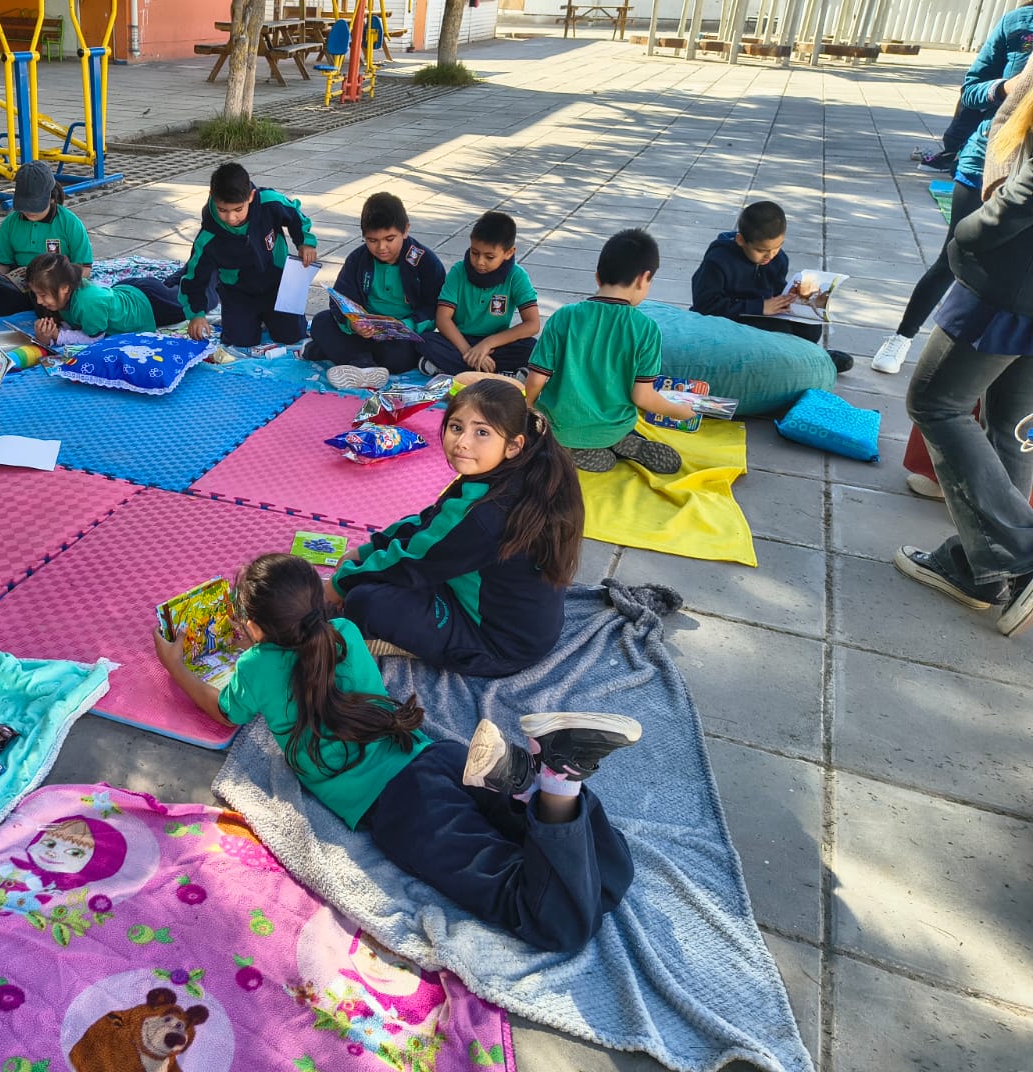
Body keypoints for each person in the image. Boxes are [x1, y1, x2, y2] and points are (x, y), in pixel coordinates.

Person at [153, 550, 640, 953]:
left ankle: (555, 781)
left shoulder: (256, 667)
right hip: (437, 756)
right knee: (611, 873)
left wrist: (176, 667)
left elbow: (223, 711)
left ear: (255, 629)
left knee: (551, 923)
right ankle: (538, 785)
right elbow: (302, 651)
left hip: (402, 807)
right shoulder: (342, 634)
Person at [895, 70, 1033, 638]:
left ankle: (1019, 557)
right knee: (1009, 424)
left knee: (935, 402)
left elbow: (1025, 191)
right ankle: (979, 570)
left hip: (1007, 284)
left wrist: (967, 234)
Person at [323, 378, 582, 676]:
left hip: (497, 646)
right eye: (456, 427)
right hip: (516, 622)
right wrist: (367, 550)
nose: (462, 442)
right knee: (379, 567)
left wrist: (340, 582)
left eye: (481, 432)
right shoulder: (513, 473)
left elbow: (413, 562)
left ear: (513, 446)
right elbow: (431, 522)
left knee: (365, 600)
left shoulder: (484, 516)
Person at [872, 0, 1033, 375]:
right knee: (957, 252)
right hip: (988, 163)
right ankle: (903, 336)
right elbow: (972, 89)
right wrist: (1006, 87)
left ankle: (990, 364)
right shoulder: (1017, 23)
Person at [525, 228, 695, 474]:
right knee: (620, 423)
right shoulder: (646, 329)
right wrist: (679, 411)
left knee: (555, 434)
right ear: (643, 279)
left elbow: (537, 378)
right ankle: (620, 440)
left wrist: (529, 408)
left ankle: (570, 450)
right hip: (615, 424)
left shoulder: (564, 317)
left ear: (597, 276)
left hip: (562, 426)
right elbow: (642, 398)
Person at [301, 192, 445, 390]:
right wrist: (354, 324)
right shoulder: (358, 259)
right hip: (364, 330)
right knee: (321, 322)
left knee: (398, 358)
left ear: (405, 230)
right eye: (372, 240)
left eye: (389, 238)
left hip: (400, 335)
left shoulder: (425, 261)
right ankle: (364, 364)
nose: (381, 247)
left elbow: (435, 307)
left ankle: (340, 355)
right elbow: (340, 299)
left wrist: (404, 325)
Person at [689, 200, 853, 372]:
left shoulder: (778, 259)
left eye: (777, 247)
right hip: (725, 318)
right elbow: (704, 305)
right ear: (741, 240)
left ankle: (810, 356)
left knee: (810, 327)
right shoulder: (718, 261)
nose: (770, 255)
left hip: (761, 313)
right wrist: (760, 307)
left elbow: (776, 289)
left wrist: (794, 299)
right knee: (779, 331)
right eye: (761, 250)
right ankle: (817, 361)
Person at [179, 162, 317, 347]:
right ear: (212, 196)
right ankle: (251, 320)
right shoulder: (207, 239)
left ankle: (271, 319)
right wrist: (196, 314)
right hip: (238, 293)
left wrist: (305, 242)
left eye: (238, 209)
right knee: (239, 341)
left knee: (293, 335)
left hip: (279, 284)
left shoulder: (269, 202)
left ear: (250, 197)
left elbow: (294, 214)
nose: (231, 218)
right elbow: (195, 277)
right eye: (223, 210)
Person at [418, 211, 539, 378]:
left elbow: (532, 324)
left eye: (489, 256)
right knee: (425, 340)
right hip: (460, 341)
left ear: (509, 252)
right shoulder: (458, 271)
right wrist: (470, 352)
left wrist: (487, 344)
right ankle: (498, 374)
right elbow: (443, 319)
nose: (480, 262)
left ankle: (450, 369)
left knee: (533, 348)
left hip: (497, 343)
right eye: (475, 253)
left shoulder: (516, 276)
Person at [0, 161, 95, 318]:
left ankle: (42, 307)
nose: (29, 211)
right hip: (21, 288)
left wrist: (56, 284)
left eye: (35, 205)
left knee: (77, 305)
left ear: (51, 198)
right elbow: (2, 263)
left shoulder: (69, 222)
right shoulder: (10, 222)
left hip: (55, 288)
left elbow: (85, 269)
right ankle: (37, 307)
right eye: (25, 205)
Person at [24, 252, 185, 345]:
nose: (38, 301)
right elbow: (74, 324)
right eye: (36, 294)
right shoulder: (64, 296)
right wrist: (47, 336)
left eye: (43, 295)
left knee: (195, 298)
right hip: (130, 290)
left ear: (65, 288)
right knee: (176, 285)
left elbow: (93, 338)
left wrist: (57, 336)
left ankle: (204, 267)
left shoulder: (87, 303)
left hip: (149, 304)